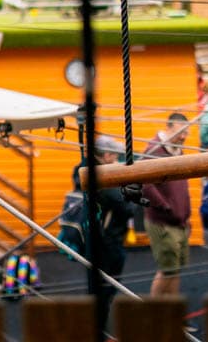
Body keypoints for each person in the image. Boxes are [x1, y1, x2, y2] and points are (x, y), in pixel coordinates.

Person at [71, 135, 131, 332]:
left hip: (94, 237)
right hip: (107, 241)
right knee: (107, 286)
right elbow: (127, 208)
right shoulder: (101, 178)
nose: (116, 160)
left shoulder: (82, 169)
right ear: (106, 155)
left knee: (97, 285)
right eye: (114, 156)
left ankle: (96, 323)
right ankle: (98, 327)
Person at [141, 113, 191, 297]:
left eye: (187, 132)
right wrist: (165, 207)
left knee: (175, 270)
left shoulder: (177, 149)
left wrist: (184, 212)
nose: (184, 136)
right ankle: (155, 317)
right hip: (163, 222)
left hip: (178, 221)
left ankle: (172, 315)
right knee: (167, 271)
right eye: (181, 131)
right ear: (169, 127)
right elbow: (144, 184)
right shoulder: (155, 150)